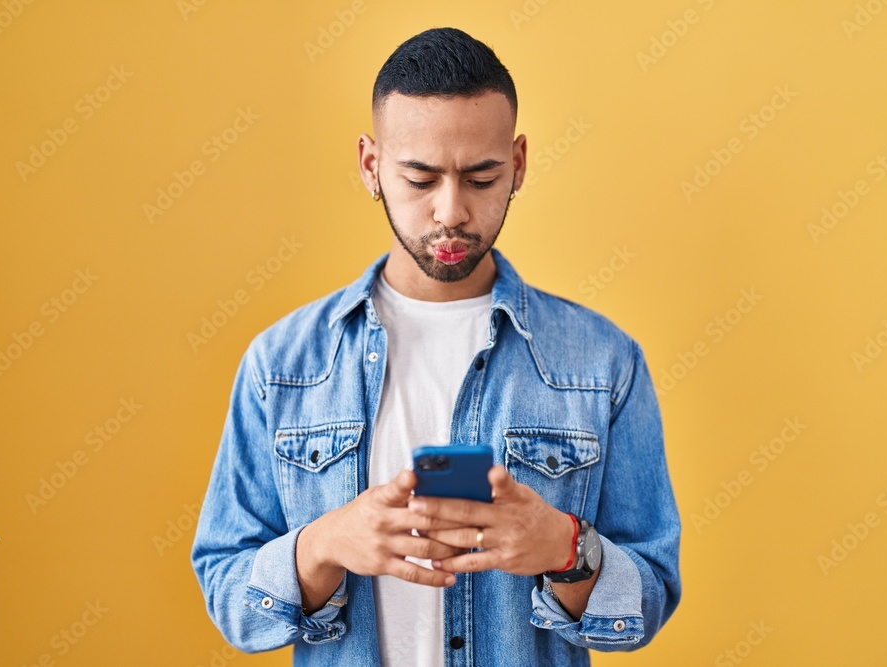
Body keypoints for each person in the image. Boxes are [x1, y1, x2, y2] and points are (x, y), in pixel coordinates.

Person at [191, 26, 681, 667]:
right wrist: (324, 545)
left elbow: (647, 602)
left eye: (481, 178)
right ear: (371, 166)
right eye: (420, 179)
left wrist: (567, 548)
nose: (450, 211)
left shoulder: (603, 363)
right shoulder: (282, 365)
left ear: (520, 165)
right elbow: (231, 602)